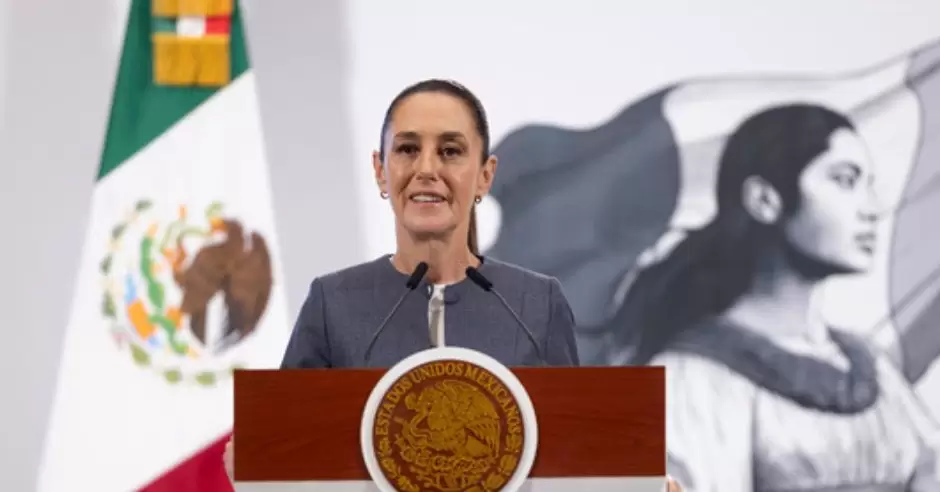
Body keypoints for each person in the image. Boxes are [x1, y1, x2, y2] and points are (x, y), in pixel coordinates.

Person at [223, 79, 581, 482]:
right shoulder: (333, 303)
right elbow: (288, 453)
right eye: (408, 149)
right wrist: (257, 468)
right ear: (381, 171)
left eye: (450, 151)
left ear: (485, 175)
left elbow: (579, 457)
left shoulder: (536, 304)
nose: (426, 169)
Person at [606, 104, 940, 491]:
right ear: (765, 199)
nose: (872, 209)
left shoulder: (873, 370)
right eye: (845, 180)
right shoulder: (693, 377)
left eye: (868, 184)